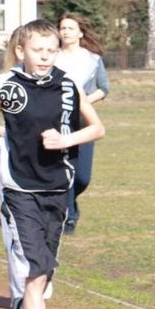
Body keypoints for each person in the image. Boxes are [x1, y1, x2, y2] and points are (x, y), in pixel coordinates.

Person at [0, 19, 105, 309]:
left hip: (57, 188)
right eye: (38, 51)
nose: (46, 57)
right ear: (22, 52)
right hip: (19, 188)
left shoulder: (68, 84)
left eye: (51, 50)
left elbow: (96, 128)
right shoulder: (7, 85)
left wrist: (67, 140)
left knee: (45, 274)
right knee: (34, 273)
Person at [54, 14, 110, 235]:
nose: (65, 31)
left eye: (70, 28)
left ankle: (70, 201)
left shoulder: (93, 60)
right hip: (58, 120)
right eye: (62, 27)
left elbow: (104, 88)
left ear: (80, 32)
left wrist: (84, 101)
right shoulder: (52, 58)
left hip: (84, 121)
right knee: (64, 169)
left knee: (82, 177)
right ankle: (69, 216)